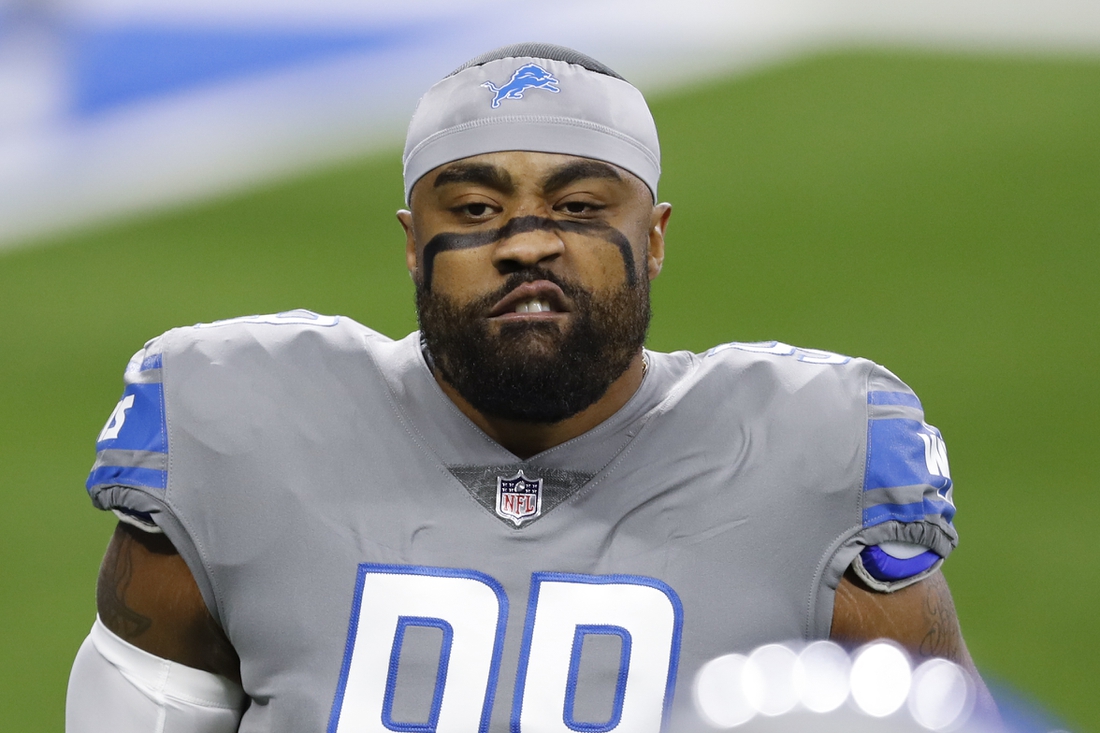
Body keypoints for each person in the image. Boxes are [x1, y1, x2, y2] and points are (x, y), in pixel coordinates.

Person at [67, 43, 995, 732]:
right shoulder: (238, 417)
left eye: (581, 206)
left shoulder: (814, 449)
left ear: (657, 236)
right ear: (408, 240)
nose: (526, 241)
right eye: (474, 208)